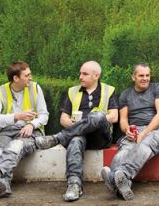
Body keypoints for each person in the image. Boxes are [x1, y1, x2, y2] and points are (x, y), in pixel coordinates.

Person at [34, 61, 118, 202]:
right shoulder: (73, 91)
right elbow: (63, 119)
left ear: (96, 76)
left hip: (100, 137)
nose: (80, 76)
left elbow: (114, 116)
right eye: (80, 73)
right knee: (75, 139)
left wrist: (92, 121)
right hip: (79, 135)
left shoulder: (109, 90)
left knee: (97, 116)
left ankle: (57, 138)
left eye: (84, 74)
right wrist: (75, 125)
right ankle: (74, 185)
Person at [100, 63, 159, 200]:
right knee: (124, 151)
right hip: (134, 130)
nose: (145, 78)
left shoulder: (157, 88)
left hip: (157, 130)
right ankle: (122, 184)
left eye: (147, 75)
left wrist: (144, 133)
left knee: (145, 145)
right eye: (141, 75)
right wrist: (127, 130)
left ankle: (118, 176)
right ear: (133, 77)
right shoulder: (126, 94)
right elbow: (123, 120)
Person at [0, 61, 49, 197]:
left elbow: (44, 115)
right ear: (16, 78)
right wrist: (16, 116)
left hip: (30, 130)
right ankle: (3, 184)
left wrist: (32, 124)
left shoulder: (35, 88)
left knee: (16, 145)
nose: (31, 78)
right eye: (27, 75)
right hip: (4, 130)